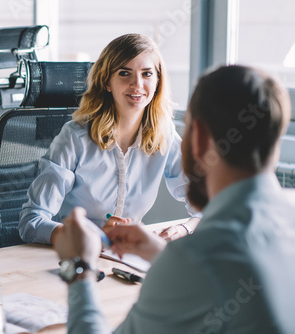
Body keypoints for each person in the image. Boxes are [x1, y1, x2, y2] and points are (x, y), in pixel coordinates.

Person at [54, 65, 295, 333]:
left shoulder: (200, 257)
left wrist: (79, 268)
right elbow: (217, 282)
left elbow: (206, 271)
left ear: (200, 139)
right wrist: (160, 253)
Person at [19, 33, 200, 245]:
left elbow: (206, 203)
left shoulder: (164, 134)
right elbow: (31, 222)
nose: (137, 84)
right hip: (75, 254)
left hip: (130, 254)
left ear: (158, 81)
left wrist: (185, 227)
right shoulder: (75, 138)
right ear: (107, 82)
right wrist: (93, 236)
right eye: (125, 73)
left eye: (147, 74)